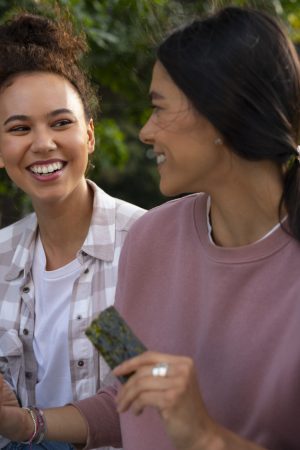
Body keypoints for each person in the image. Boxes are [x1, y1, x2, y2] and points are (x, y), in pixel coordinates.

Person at [0, 5, 300, 450]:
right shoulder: (152, 239)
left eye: (159, 109)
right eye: (19, 128)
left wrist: (205, 437)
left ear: (223, 114)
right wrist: (26, 424)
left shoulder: (131, 232)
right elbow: (124, 395)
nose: (144, 131)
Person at [0, 10, 145, 450]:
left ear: (90, 136)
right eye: (20, 128)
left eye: (61, 123)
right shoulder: (2, 256)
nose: (43, 143)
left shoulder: (144, 243)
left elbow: (144, 395)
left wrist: (30, 423)